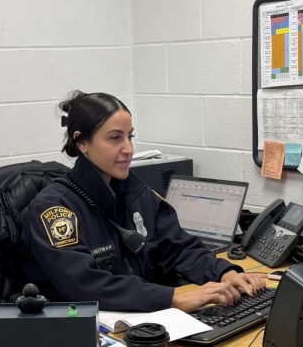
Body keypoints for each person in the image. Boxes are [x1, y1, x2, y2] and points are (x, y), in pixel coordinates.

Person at [21, 91, 268, 313]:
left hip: (144, 316)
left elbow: (178, 247)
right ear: (82, 142)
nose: (128, 148)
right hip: (87, 330)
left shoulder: (136, 193)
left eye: (130, 136)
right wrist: (172, 298)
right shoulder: (55, 209)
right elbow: (86, 285)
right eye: (115, 138)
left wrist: (224, 272)